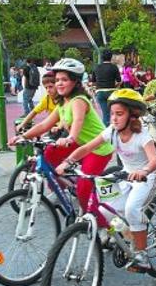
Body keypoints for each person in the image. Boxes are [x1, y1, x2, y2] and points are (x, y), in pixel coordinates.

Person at [56, 89, 156, 272]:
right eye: (112, 113)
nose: (114, 118)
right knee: (105, 211)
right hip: (126, 174)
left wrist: (143, 171)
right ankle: (127, 236)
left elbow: (154, 160)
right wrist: (68, 161)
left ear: (132, 115)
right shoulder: (112, 131)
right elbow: (87, 148)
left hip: (148, 176)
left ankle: (142, 255)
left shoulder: (141, 135)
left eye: (119, 114)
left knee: (132, 209)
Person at [9, 58, 113, 219]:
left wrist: (70, 137)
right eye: (57, 80)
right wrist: (21, 136)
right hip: (79, 144)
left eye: (64, 80)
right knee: (48, 154)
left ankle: (102, 226)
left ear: (75, 82)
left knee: (84, 191)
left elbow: (77, 122)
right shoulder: (63, 103)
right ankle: (62, 191)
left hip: (97, 148)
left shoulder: (79, 101)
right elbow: (44, 125)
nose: (59, 83)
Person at [90, 49, 121, 126]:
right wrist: (115, 86)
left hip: (100, 92)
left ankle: (105, 132)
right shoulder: (114, 67)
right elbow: (119, 80)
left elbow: (93, 82)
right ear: (111, 57)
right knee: (114, 113)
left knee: (105, 114)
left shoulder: (97, 67)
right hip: (112, 92)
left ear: (102, 58)